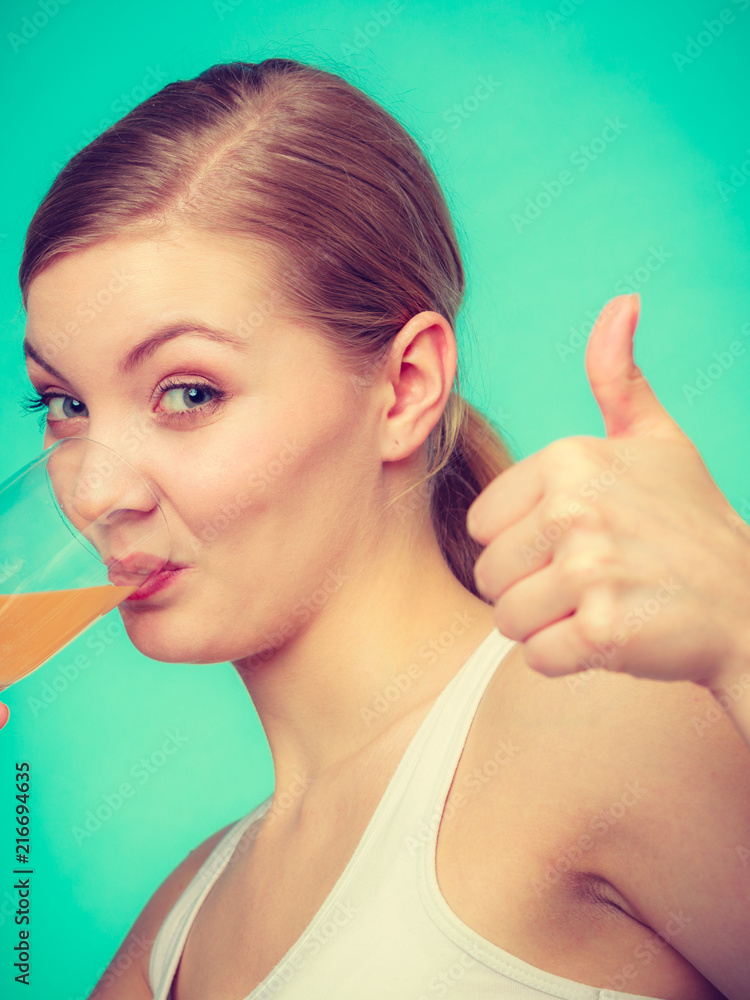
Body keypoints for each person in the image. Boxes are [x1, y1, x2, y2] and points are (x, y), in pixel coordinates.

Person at [17, 58, 750, 999]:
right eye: (64, 404)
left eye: (187, 392)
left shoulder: (595, 723)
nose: (94, 490)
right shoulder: (176, 927)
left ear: (405, 387)